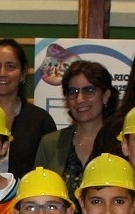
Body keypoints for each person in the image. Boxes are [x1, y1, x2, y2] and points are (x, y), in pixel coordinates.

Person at [33, 59, 117, 190]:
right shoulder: (50, 144)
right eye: (73, 92)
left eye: (88, 90)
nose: (80, 99)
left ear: (105, 96)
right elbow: (37, 193)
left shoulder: (121, 142)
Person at [0, 38, 58, 177]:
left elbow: (49, 174)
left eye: (10, 66)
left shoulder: (41, 121)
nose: (2, 73)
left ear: (23, 73)